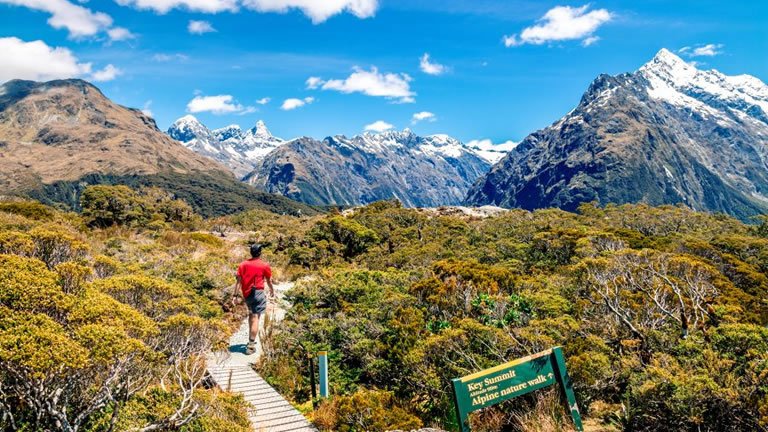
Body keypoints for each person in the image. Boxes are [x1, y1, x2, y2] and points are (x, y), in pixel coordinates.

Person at [232, 243, 275, 355]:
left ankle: (251, 338)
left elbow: (238, 282)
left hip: (247, 294)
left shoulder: (243, 264)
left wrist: (235, 295)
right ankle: (251, 346)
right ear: (260, 252)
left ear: (251, 252)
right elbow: (269, 280)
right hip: (258, 293)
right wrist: (272, 290)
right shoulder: (264, 265)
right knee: (256, 317)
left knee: (251, 315)